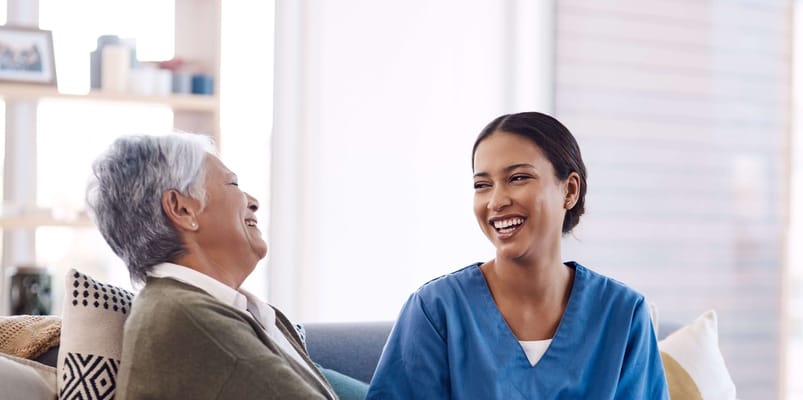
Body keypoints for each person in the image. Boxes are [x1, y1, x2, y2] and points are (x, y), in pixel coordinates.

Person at [366, 112, 669, 399]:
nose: (496, 201)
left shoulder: (623, 315)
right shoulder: (435, 311)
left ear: (570, 190)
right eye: (482, 185)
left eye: (518, 178)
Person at [86, 133, 338, 399]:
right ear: (181, 209)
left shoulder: (217, 308)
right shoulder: (186, 318)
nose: (253, 201)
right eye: (234, 184)